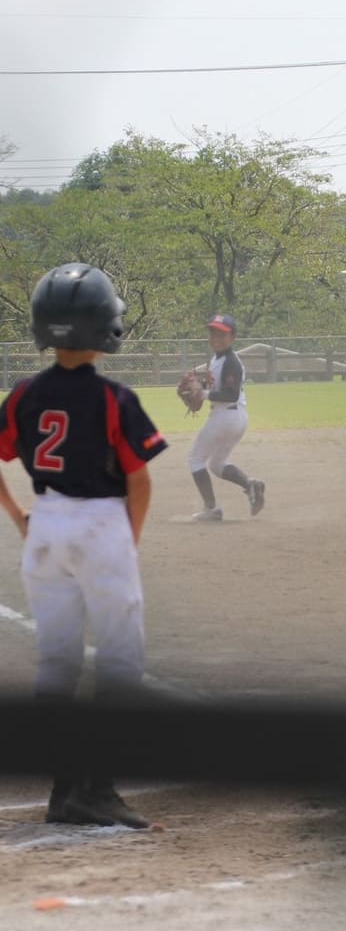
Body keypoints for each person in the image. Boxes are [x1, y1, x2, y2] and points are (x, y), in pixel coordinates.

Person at [0, 262, 168, 828]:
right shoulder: (116, 399)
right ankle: (97, 788)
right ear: (104, 326)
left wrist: (22, 513)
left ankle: (62, 791)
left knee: (57, 660)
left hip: (45, 524)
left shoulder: (21, 394)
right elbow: (140, 481)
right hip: (101, 524)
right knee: (121, 660)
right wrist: (129, 541)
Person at [188, 313, 265, 521]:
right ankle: (251, 485)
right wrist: (200, 388)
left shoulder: (231, 361)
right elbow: (219, 388)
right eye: (213, 332)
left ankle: (211, 510)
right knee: (216, 464)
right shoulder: (217, 359)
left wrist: (202, 394)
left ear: (233, 337)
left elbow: (230, 394)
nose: (216, 337)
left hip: (225, 416)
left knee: (196, 460)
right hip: (234, 418)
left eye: (222, 334)